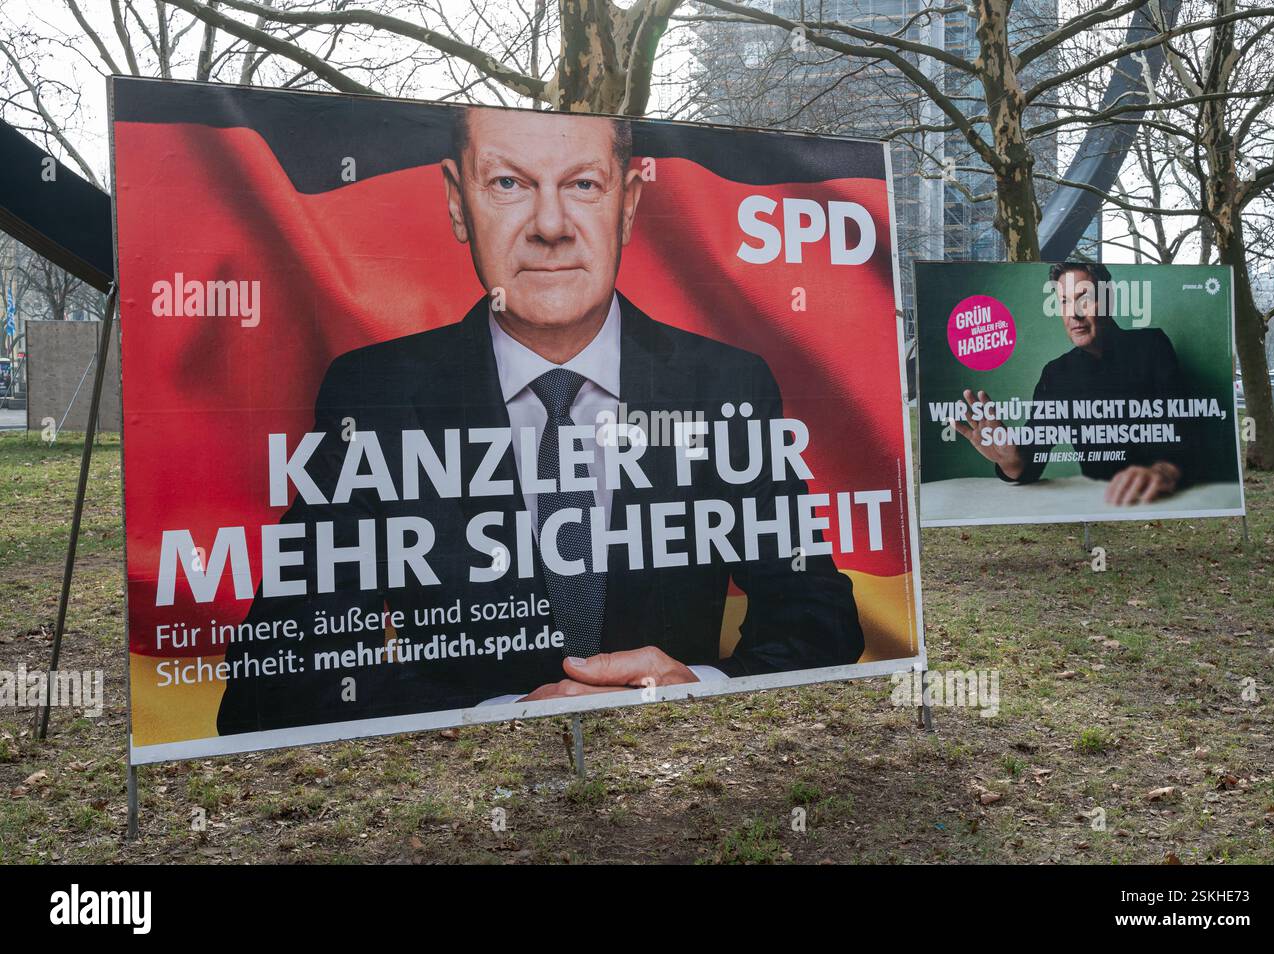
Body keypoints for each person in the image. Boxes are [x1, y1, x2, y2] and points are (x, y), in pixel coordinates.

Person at [216, 106, 863, 735]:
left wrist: (703, 689)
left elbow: (818, 620)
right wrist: (493, 720)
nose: (550, 225)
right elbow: (274, 683)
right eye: (508, 183)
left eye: (583, 185)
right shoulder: (376, 395)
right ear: (455, 201)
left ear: (629, 204)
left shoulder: (725, 384)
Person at [953, 261, 1194, 506]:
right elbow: (1032, 458)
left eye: (1084, 298)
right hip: (1101, 505)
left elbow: (1185, 429)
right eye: (1065, 301)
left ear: (1109, 300)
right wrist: (1011, 462)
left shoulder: (1152, 345)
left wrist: (1163, 471)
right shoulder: (1056, 374)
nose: (1073, 314)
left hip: (1163, 501)